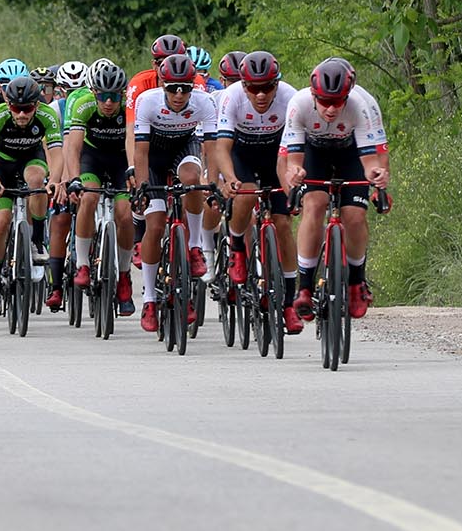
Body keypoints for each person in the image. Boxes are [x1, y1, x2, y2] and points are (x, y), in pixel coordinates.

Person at [282, 58, 389, 321]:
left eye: (337, 102)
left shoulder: (361, 106)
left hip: (351, 153)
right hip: (315, 152)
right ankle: (304, 288)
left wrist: (377, 178)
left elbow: (371, 159)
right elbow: (293, 161)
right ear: (314, 95)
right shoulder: (299, 104)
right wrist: (295, 173)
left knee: (355, 216)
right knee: (315, 204)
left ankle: (356, 283)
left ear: (348, 96)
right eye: (325, 102)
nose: (331, 109)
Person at [209, 50, 302, 336]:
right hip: (242, 154)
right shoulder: (231, 97)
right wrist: (231, 179)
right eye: (253, 88)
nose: (260, 95)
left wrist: (295, 182)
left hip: (277, 154)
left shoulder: (291, 98)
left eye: (267, 88)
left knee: (283, 224)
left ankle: (288, 303)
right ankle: (237, 245)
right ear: (243, 85)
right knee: (246, 193)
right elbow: (222, 147)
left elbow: (298, 147)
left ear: (277, 84)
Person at [130, 53, 216, 332]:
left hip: (184, 148)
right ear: (162, 84)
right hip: (153, 156)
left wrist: (212, 183)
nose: (179, 95)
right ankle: (150, 300)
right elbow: (140, 152)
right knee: (154, 226)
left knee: (193, 179)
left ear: (193, 86)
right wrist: (143, 188)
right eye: (172, 88)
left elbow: (212, 149)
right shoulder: (148, 101)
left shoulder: (204, 102)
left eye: (185, 88)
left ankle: (193, 248)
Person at [0, 74, 65, 316]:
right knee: (1, 222)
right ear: (8, 105)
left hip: (31, 158)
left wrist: (54, 182)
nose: (22, 114)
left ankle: (36, 240)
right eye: (16, 108)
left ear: (36, 105)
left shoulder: (47, 115)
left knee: (37, 181)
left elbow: (57, 154)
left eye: (27, 109)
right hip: (1, 166)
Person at [62, 59, 137, 314]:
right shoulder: (83, 106)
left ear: (122, 94)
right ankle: (82, 263)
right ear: (94, 93)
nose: (108, 102)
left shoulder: (128, 108)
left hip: (119, 160)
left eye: (114, 96)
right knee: (89, 198)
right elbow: (72, 148)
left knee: (126, 215)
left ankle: (124, 275)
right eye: (103, 96)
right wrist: (73, 179)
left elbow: (133, 142)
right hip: (91, 158)